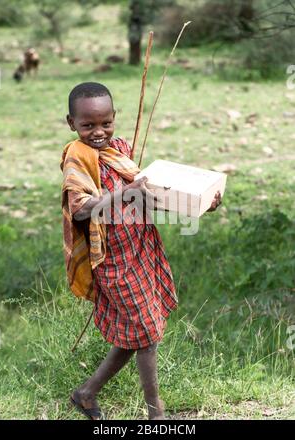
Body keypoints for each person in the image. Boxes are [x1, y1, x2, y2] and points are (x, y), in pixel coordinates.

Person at [60, 82, 221, 420]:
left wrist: (200, 204)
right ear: (71, 123)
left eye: (106, 122)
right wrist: (122, 193)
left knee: (140, 330)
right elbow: (80, 209)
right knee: (146, 334)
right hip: (112, 260)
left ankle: (86, 393)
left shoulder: (119, 149)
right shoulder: (77, 158)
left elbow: (146, 198)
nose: (99, 132)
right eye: (88, 125)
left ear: (114, 118)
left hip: (141, 248)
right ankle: (155, 415)